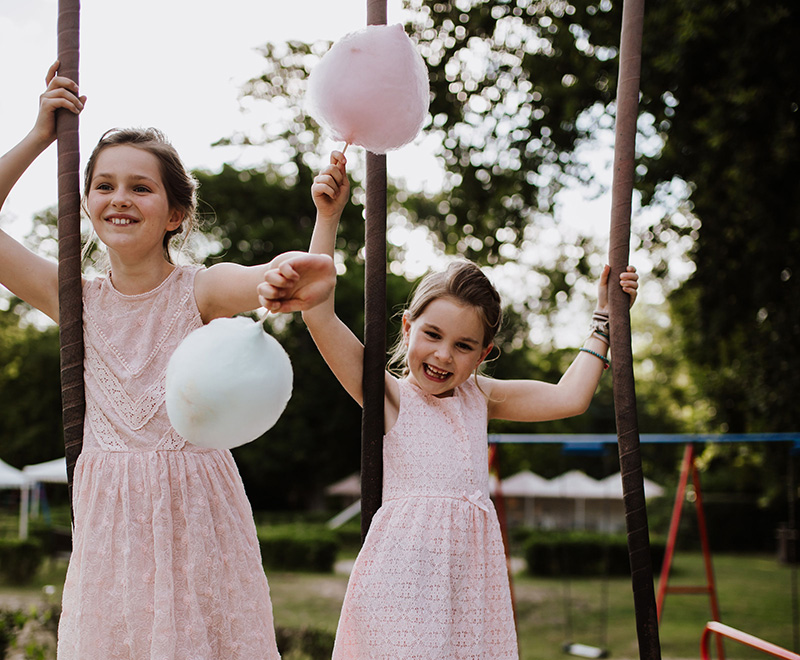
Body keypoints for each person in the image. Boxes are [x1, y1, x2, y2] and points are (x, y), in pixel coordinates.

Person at [0, 62, 334, 659]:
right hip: (110, 523)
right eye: (104, 185)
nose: (119, 199)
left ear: (176, 213)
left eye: (140, 186)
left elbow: (270, 278)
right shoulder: (74, 298)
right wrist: (39, 136)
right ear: (85, 203)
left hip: (197, 517)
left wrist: (286, 270)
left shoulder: (199, 290)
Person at [259, 152, 639, 659]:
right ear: (407, 328)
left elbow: (570, 397)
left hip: (469, 588)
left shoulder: (480, 396)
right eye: (432, 335)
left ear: (483, 355)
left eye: (463, 346)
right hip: (402, 585)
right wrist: (328, 217)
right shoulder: (389, 395)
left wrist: (604, 321)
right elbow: (319, 314)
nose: (442, 355)